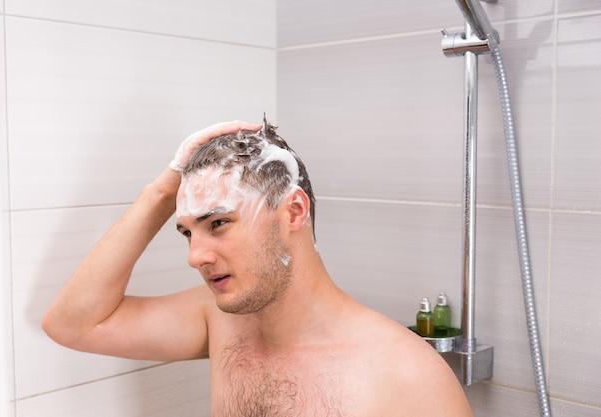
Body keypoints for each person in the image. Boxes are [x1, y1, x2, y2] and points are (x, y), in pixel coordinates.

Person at [42, 118, 473, 416]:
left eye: (218, 223)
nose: (196, 256)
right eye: (188, 232)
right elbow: (72, 325)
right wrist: (160, 191)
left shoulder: (406, 374)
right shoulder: (221, 320)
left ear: (293, 213)